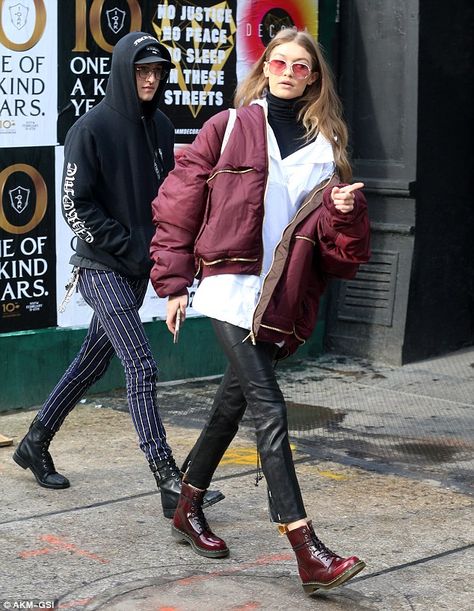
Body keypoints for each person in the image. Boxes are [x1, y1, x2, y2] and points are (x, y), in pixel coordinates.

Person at [150, 28, 370, 593]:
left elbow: (334, 248)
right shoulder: (228, 128)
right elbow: (179, 203)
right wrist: (174, 283)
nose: (289, 71)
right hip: (227, 287)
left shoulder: (327, 146)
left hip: (277, 294)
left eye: (302, 66)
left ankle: (187, 505)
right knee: (269, 408)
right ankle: (307, 548)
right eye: (280, 61)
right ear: (265, 66)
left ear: (314, 77)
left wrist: (343, 211)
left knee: (230, 407)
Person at [12, 31, 223, 518]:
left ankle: (34, 442)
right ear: (123, 73)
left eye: (156, 72)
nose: (149, 80)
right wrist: (131, 245)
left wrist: (167, 255)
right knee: (143, 367)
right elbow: (73, 206)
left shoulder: (164, 127)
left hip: (136, 269)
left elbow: (170, 199)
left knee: (89, 364)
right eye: (141, 71)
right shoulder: (89, 130)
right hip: (101, 266)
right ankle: (170, 480)